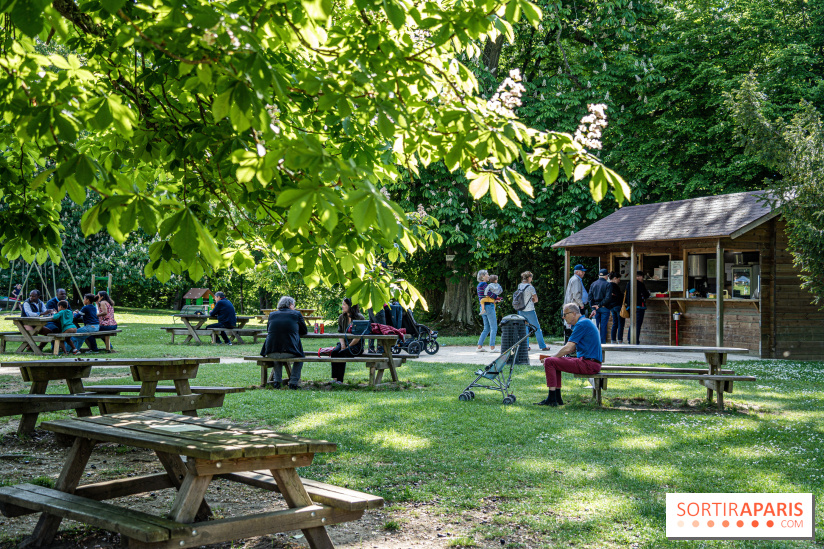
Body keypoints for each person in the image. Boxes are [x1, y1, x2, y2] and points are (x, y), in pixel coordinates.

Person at [535, 303, 602, 407]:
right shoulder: (584, 322)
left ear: (574, 313)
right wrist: (555, 357)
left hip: (589, 364)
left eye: (565, 314)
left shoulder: (581, 324)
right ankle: (557, 398)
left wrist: (551, 357)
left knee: (550, 361)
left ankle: (552, 398)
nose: (563, 317)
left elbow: (569, 348)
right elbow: (572, 347)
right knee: (555, 361)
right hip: (591, 363)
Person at [260, 296, 308, 389]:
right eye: (294, 305)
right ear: (290, 305)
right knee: (300, 358)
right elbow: (304, 331)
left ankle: (277, 382)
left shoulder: (272, 315)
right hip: (289, 352)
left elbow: (268, 329)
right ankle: (293, 382)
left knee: (278, 353)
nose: (294, 307)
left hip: (270, 351)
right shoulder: (296, 314)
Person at [330, 297, 365, 383]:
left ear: (350, 306)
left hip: (356, 346)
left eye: (344, 304)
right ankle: (335, 379)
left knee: (341, 354)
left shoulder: (360, 318)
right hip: (345, 343)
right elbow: (340, 333)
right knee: (334, 352)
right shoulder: (342, 317)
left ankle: (340, 381)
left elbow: (358, 337)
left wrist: (348, 346)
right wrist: (342, 345)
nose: (342, 306)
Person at [515, 271, 549, 351]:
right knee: (537, 328)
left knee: (525, 328)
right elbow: (536, 299)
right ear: (529, 278)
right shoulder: (530, 287)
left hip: (521, 310)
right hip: (529, 310)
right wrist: (532, 299)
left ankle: (526, 346)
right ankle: (542, 346)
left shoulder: (520, 285)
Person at [624, 271, 651, 344]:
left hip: (630, 307)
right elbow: (646, 295)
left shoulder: (629, 283)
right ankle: (635, 341)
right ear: (639, 277)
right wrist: (648, 293)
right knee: (637, 325)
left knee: (632, 323)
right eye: (642, 277)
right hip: (639, 307)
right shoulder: (640, 284)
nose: (642, 279)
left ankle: (630, 339)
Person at [563, 265, 588, 343]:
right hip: (576, 306)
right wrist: (581, 304)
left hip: (574, 306)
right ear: (577, 272)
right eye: (582, 271)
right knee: (576, 324)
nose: (584, 273)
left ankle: (572, 341)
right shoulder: (576, 280)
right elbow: (576, 294)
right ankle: (574, 342)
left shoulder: (575, 279)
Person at [476, 270, 497, 352]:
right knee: (494, 327)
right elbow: (488, 293)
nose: (488, 276)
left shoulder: (479, 285)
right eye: (487, 274)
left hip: (483, 308)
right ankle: (492, 347)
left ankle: (479, 347)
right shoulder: (484, 284)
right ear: (483, 276)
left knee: (486, 328)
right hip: (488, 307)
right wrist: (496, 297)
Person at [588, 268, 611, 344]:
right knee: (603, 326)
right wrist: (599, 305)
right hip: (604, 307)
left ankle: (594, 342)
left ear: (599, 275)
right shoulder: (608, 284)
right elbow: (608, 298)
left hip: (595, 308)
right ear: (606, 276)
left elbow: (590, 297)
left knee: (595, 326)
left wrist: (593, 307)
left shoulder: (593, 284)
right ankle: (602, 343)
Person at [605, 273, 625, 343]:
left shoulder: (607, 285)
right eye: (618, 279)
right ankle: (620, 340)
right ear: (615, 278)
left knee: (615, 323)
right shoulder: (614, 285)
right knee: (620, 323)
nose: (619, 281)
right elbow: (619, 296)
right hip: (617, 306)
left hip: (612, 306)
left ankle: (613, 340)